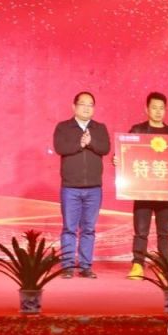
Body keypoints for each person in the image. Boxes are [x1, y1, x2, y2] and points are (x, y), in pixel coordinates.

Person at [121, 92, 168, 280]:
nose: (158, 111)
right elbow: (125, 154)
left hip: (165, 191)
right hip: (143, 191)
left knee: (165, 232)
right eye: (154, 108)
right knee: (141, 231)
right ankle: (138, 264)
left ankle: (165, 266)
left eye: (161, 108)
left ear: (166, 110)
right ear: (146, 109)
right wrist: (118, 159)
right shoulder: (137, 131)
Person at [53, 91, 110, 279]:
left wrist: (91, 142)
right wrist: (81, 144)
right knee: (69, 228)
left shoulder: (99, 128)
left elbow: (105, 148)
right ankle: (68, 266)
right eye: (83, 104)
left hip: (94, 188)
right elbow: (60, 147)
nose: (86, 108)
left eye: (90, 105)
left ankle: (86, 266)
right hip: (70, 188)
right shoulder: (63, 127)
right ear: (74, 106)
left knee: (89, 229)